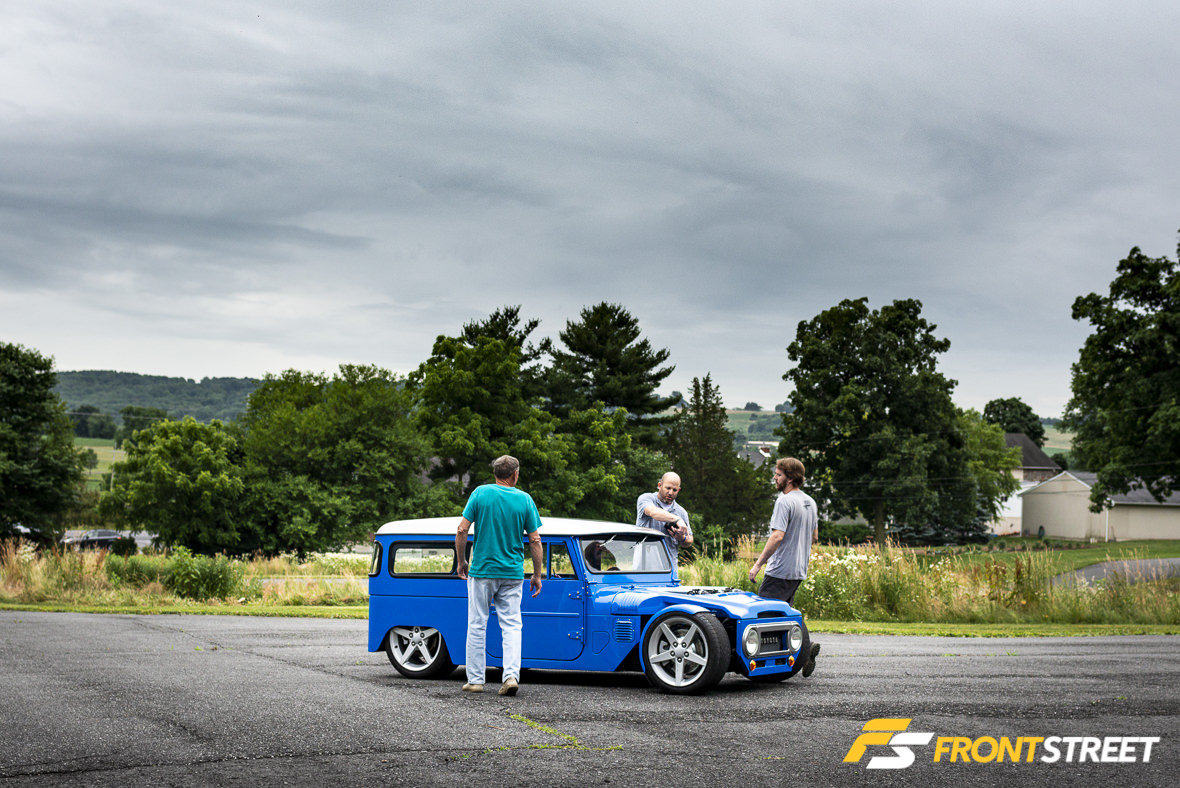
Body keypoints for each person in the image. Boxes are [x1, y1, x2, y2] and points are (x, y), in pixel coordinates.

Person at [455, 455, 544, 696]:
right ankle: (511, 676)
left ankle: (475, 680)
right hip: (512, 573)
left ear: (495, 474)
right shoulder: (525, 499)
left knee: (476, 623)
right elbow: (535, 539)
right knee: (512, 625)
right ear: (515, 475)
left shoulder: (480, 494)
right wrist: (537, 574)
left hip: (482, 570)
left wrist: (462, 560)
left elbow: (462, 529)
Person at [747, 457, 822, 677]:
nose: (775, 477)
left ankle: (802, 651)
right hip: (798, 569)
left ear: (790, 478)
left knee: (764, 617)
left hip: (779, 569)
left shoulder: (784, 501)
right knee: (784, 616)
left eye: (778, 474)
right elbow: (815, 537)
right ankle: (801, 651)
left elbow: (777, 536)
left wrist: (758, 564)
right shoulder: (810, 502)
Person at [636, 472, 694, 570]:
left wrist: (682, 538)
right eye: (668, 488)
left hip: (669, 569)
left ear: (679, 490)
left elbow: (689, 541)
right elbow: (653, 512)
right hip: (643, 568)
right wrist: (676, 519)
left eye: (675, 490)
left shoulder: (681, 512)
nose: (671, 492)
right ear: (660, 485)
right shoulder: (646, 499)